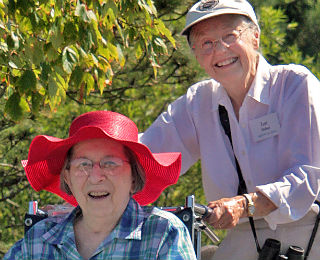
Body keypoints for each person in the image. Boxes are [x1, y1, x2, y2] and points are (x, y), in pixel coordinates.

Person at [139, 0, 320, 259]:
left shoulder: (295, 85)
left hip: (310, 228)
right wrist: (90, 165)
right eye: (206, 43)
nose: (220, 50)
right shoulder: (198, 102)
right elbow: (146, 157)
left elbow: (307, 176)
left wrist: (243, 204)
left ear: (255, 37)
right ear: (196, 55)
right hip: (245, 236)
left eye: (229, 36)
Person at [4, 111, 197, 260]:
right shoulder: (38, 240)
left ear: (133, 177)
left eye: (110, 164)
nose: (96, 177)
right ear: (68, 178)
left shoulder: (163, 233)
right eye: (83, 165)